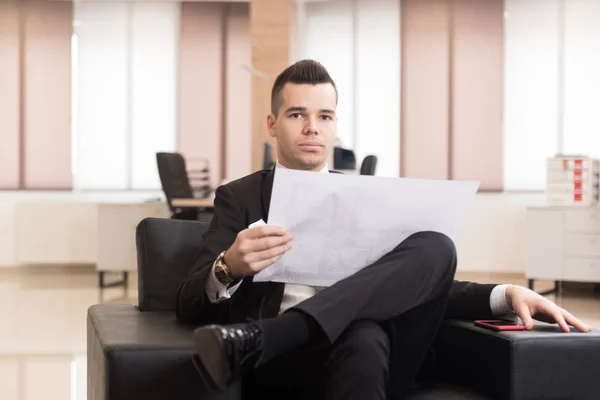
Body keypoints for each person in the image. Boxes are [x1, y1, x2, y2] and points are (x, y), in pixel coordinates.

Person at [176, 59, 591, 399]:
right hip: (289, 365)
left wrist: (505, 294)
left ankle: (265, 336)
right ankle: (279, 337)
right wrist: (228, 265)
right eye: (297, 114)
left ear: (335, 124)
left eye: (324, 116)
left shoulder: (366, 195)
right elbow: (187, 301)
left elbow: (405, 282)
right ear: (272, 124)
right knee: (364, 337)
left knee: (436, 248)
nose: (311, 128)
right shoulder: (240, 197)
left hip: (346, 348)